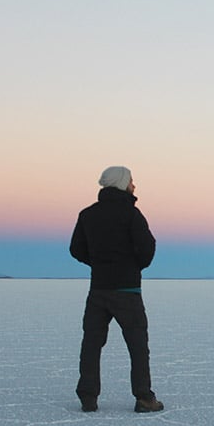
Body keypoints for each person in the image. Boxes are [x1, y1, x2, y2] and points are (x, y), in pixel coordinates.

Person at [70, 166, 164, 413]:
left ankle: (88, 397)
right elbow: (147, 249)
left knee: (91, 343)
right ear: (122, 183)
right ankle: (144, 397)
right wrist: (131, 267)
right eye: (131, 180)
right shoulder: (131, 215)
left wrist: (100, 264)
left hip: (98, 289)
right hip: (128, 291)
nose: (134, 184)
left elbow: (76, 250)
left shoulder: (88, 215)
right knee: (137, 345)